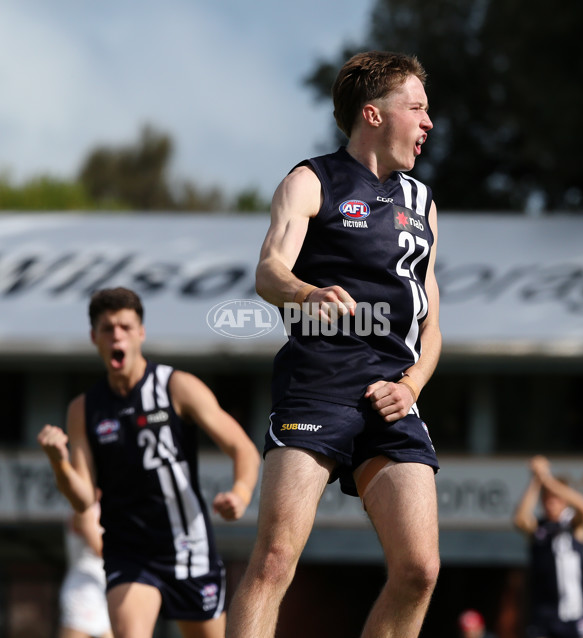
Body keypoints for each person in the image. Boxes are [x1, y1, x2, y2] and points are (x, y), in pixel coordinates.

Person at [226, 50, 442, 638]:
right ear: (373, 114)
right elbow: (268, 270)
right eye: (417, 108)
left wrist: (412, 384)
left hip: (393, 395)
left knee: (420, 569)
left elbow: (431, 325)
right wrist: (304, 294)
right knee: (274, 560)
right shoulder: (309, 180)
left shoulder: (422, 205)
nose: (429, 123)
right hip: (317, 385)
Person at [38, 287, 261, 638]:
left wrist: (241, 492)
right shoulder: (84, 409)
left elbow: (242, 447)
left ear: (141, 333)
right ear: (94, 337)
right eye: (108, 328)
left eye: (126, 327)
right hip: (128, 550)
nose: (117, 336)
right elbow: (82, 499)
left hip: (188, 545)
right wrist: (59, 462)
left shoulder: (177, 386)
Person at [513, 455, 583, 638]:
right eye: (547, 498)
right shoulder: (539, 528)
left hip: (575, 617)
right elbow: (520, 519)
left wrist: (547, 478)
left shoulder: (575, 525)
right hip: (543, 617)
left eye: (556, 498)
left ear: (565, 500)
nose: (551, 503)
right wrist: (536, 480)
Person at [58, 498, 113, 638]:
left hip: (103, 589)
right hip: (82, 592)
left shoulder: (107, 506)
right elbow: (100, 549)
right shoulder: (83, 508)